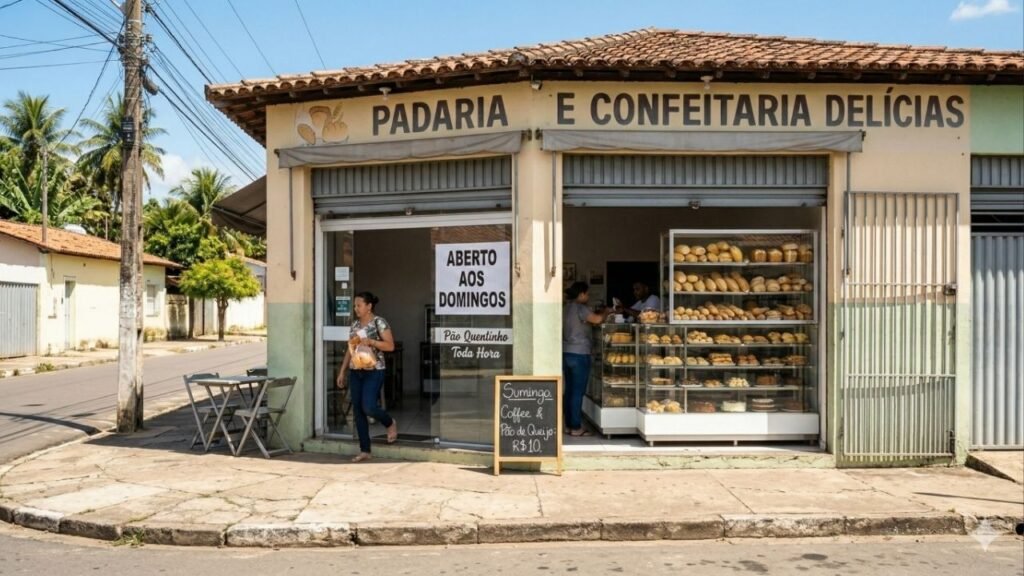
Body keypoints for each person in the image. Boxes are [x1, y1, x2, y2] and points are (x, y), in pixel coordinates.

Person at [335, 291, 397, 462]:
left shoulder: (379, 322)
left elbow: (390, 346)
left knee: (368, 406)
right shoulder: (354, 325)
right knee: (358, 410)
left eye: (359, 305)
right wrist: (342, 371)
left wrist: (372, 342)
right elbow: (350, 350)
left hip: (374, 370)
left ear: (369, 306)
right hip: (356, 370)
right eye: (355, 305)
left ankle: (389, 422)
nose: (356, 308)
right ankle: (365, 450)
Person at [562, 281, 613, 437]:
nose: (588, 296)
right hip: (580, 354)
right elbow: (597, 320)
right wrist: (607, 312)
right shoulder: (580, 308)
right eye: (587, 293)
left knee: (569, 391)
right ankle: (576, 427)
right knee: (577, 392)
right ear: (581, 294)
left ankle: (569, 425)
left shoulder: (566, 308)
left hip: (566, 352)